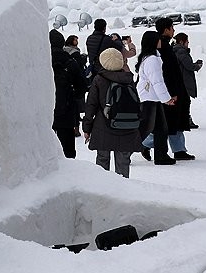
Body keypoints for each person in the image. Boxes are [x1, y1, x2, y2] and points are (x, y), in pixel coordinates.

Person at [82, 48, 143, 177]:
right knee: (123, 162)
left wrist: (86, 128)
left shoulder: (99, 79)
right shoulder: (128, 78)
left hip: (103, 126)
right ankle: (123, 191)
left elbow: (91, 105)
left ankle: (104, 191)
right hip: (127, 126)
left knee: (102, 161)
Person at [155, 17, 194, 160]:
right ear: (166, 29)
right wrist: (172, 92)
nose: (174, 30)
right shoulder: (162, 47)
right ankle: (145, 144)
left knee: (174, 120)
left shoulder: (165, 46)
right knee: (168, 121)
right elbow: (167, 72)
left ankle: (179, 150)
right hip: (171, 90)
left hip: (175, 88)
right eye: (172, 27)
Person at [135, 30, 175, 165]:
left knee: (161, 128)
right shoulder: (152, 59)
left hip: (152, 97)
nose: (160, 41)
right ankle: (125, 152)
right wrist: (166, 99)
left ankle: (161, 155)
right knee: (145, 128)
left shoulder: (151, 57)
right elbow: (157, 81)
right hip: (149, 98)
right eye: (158, 39)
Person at [49, 30, 84, 158]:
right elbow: (81, 86)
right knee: (67, 150)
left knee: (46, 148)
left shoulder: (40, 61)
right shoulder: (70, 61)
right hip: (66, 109)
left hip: (45, 111)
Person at [174, 33, 204, 135]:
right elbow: (189, 66)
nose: (188, 44)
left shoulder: (174, 50)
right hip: (184, 81)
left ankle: (184, 119)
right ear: (182, 42)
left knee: (182, 101)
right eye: (187, 42)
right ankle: (186, 119)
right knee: (185, 101)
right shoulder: (181, 52)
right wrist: (197, 65)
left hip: (178, 80)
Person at [64, 33, 89, 136]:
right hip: (76, 82)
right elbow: (79, 65)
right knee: (76, 105)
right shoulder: (74, 52)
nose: (77, 42)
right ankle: (76, 127)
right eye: (75, 40)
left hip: (67, 82)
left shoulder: (64, 50)